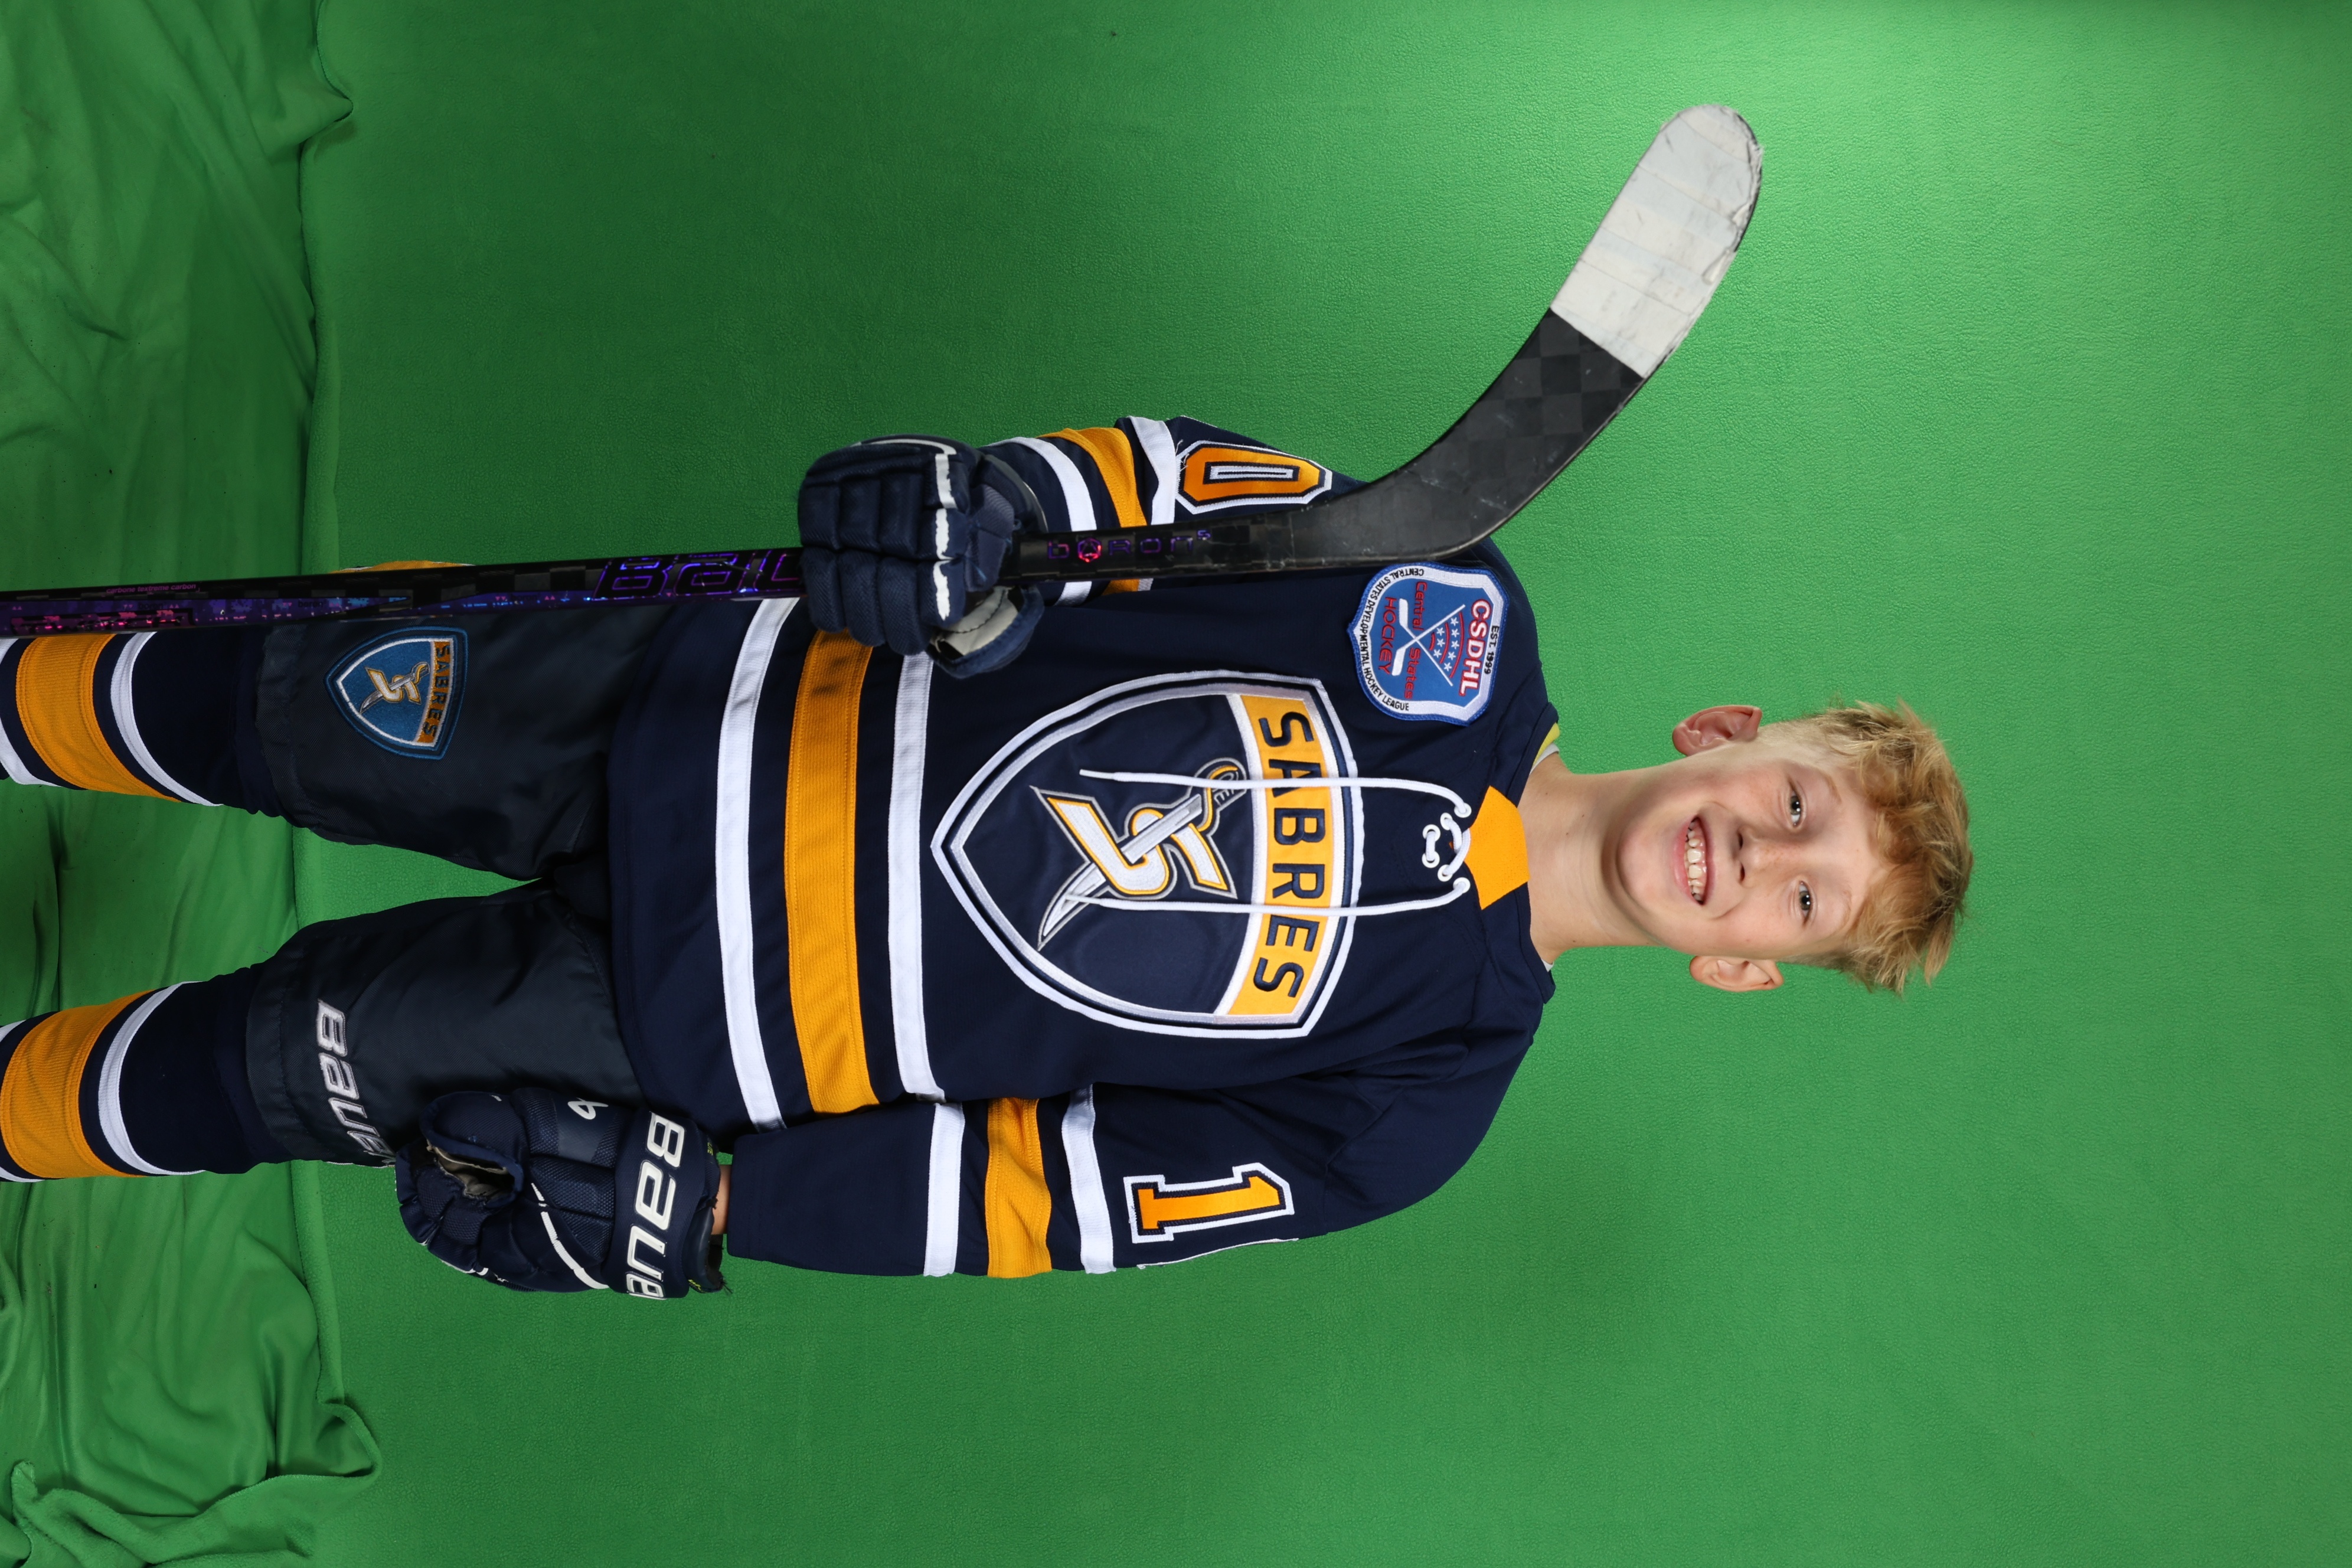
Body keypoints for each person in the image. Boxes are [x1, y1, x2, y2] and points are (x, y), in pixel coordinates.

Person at [0, 414, 1970, 1297]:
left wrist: (727, 1212)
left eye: (1803, 905)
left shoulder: (1422, 1110)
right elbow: (1168, 487)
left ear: (1747, 967)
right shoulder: (1445, 596)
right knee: (248, 699)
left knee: (265, 1074)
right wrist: (997, 500)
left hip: (691, 1028)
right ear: (1730, 732)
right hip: (695, 696)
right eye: (1795, 798)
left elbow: (1049, 1196)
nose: (1755, 855)